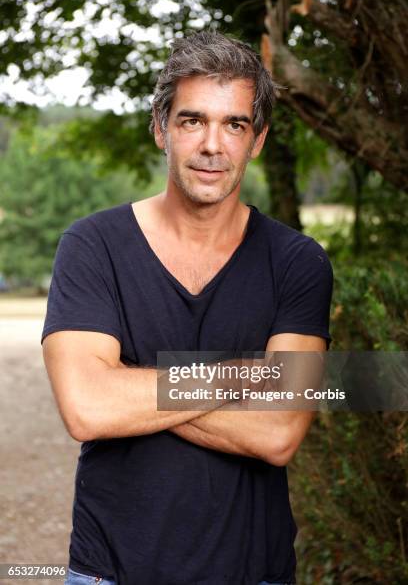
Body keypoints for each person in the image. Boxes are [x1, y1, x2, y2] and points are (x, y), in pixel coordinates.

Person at [41, 31, 333, 585]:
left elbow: (278, 432)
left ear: (258, 140)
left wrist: (127, 383)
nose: (212, 145)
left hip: (254, 571)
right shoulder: (92, 245)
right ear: (161, 129)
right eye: (193, 120)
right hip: (111, 571)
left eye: (235, 125)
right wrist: (243, 378)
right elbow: (86, 409)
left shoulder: (298, 262)